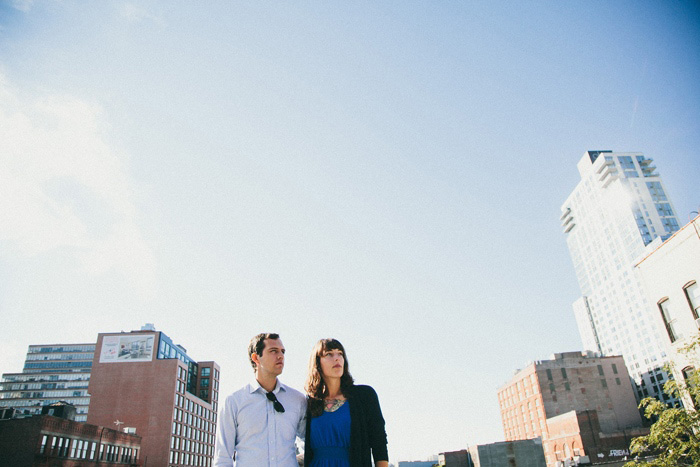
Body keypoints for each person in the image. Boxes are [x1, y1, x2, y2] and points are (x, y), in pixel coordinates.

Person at [215, 333, 306, 467]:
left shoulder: (297, 400)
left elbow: (310, 444)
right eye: (273, 351)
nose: (280, 356)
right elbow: (222, 458)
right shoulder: (234, 402)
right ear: (256, 357)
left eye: (283, 351)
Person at [303, 338, 388, 467]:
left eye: (340, 354)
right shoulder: (310, 402)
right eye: (329, 354)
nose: (337, 358)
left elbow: (379, 441)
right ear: (317, 363)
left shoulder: (364, 395)